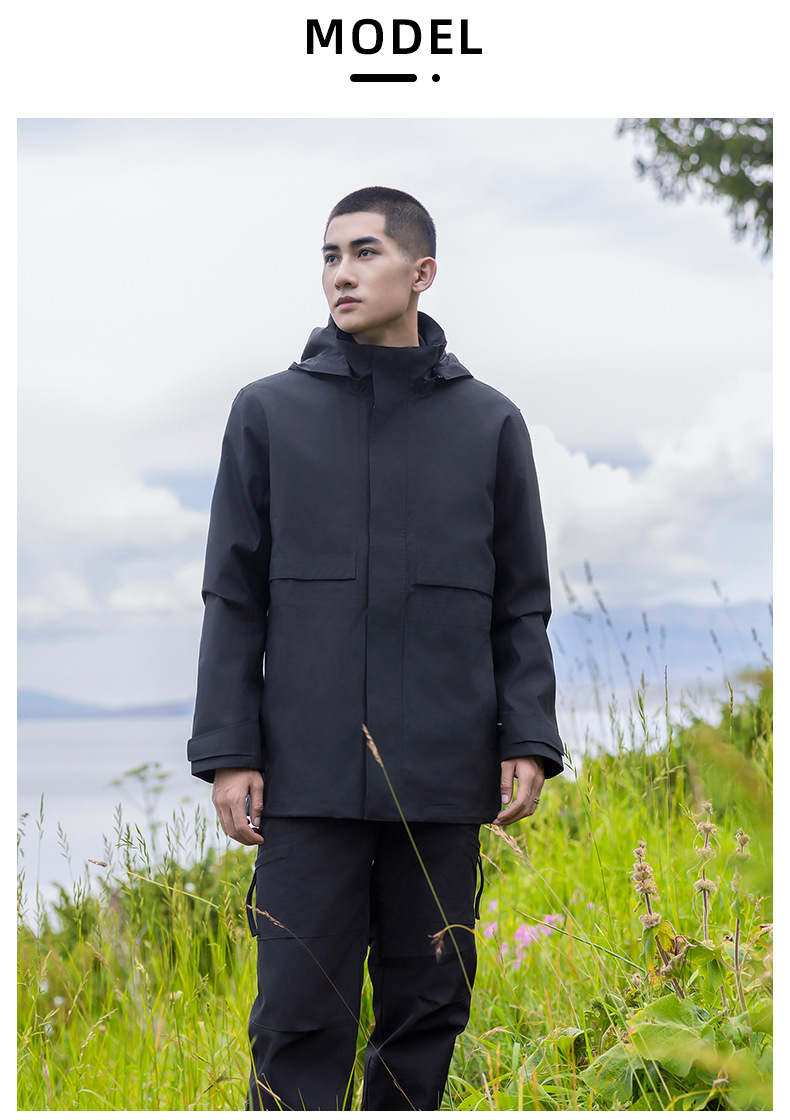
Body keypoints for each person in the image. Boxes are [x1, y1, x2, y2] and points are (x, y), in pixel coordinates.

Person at [187, 186, 565, 1111]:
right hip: (305, 777)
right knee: (296, 1015)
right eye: (329, 256)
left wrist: (527, 735)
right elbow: (233, 594)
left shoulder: (490, 423)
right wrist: (230, 753)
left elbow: (520, 601)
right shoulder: (267, 412)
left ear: (422, 272)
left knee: (428, 1009)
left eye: (364, 252)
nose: (341, 274)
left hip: (440, 775)